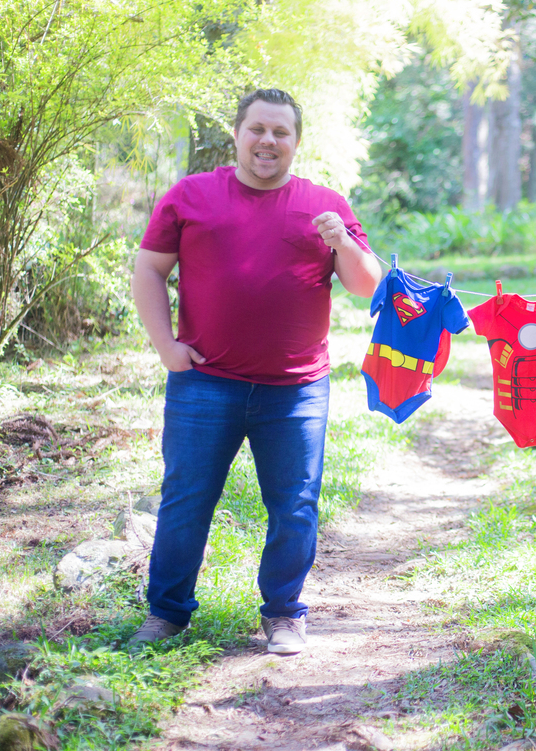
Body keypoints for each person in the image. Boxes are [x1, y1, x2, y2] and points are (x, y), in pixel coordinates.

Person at [128, 88, 381, 654]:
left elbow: (369, 286)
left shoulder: (324, 205)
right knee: (186, 499)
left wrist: (340, 242)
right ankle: (166, 613)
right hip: (204, 382)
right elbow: (149, 270)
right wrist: (166, 344)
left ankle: (285, 614)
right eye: (258, 130)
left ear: (296, 141)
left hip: (296, 390)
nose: (268, 141)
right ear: (238, 134)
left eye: (281, 132)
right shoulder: (191, 196)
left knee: (294, 505)